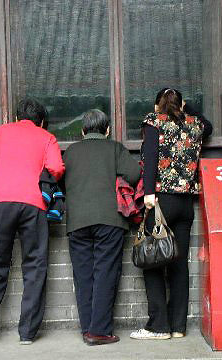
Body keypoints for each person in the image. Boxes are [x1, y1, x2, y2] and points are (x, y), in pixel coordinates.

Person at [0, 98, 65, 346]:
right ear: (43, 121)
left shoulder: (2, 132)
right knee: (35, 266)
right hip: (33, 203)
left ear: (16, 118)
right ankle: (27, 333)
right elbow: (57, 168)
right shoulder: (46, 136)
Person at [130, 88, 212, 340]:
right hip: (186, 203)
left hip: (160, 200)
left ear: (158, 106)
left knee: (152, 260)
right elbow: (207, 125)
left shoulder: (154, 122)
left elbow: (151, 157)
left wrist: (148, 195)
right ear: (181, 104)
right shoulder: (195, 124)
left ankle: (158, 326)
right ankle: (178, 326)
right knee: (178, 264)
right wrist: (187, 108)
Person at [63, 109, 140, 346]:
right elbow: (135, 173)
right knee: (106, 272)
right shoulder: (115, 148)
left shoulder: (71, 152)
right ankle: (99, 331)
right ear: (107, 130)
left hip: (77, 221)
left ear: (83, 131)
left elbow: (59, 178)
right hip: (110, 220)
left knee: (83, 274)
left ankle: (88, 328)